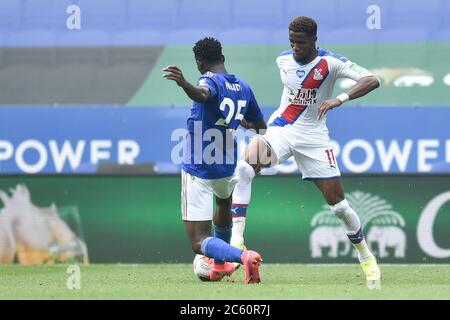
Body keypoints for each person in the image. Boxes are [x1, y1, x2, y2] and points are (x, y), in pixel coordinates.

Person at [229, 16, 382, 289]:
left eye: (301, 42)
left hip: (314, 137)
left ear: (314, 40)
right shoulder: (282, 61)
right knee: (244, 167)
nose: (295, 47)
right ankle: (236, 243)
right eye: (292, 42)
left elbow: (372, 80)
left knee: (339, 207)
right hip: (282, 129)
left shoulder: (330, 63)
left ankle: (366, 257)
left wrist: (340, 98)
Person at [163, 37, 267, 284]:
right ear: (222, 58)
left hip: (199, 167)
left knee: (198, 241)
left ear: (199, 63)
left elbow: (202, 94)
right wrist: (262, 153)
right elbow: (260, 127)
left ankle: (243, 256)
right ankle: (220, 265)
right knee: (222, 203)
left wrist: (183, 83)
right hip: (226, 165)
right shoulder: (243, 87)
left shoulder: (208, 79)